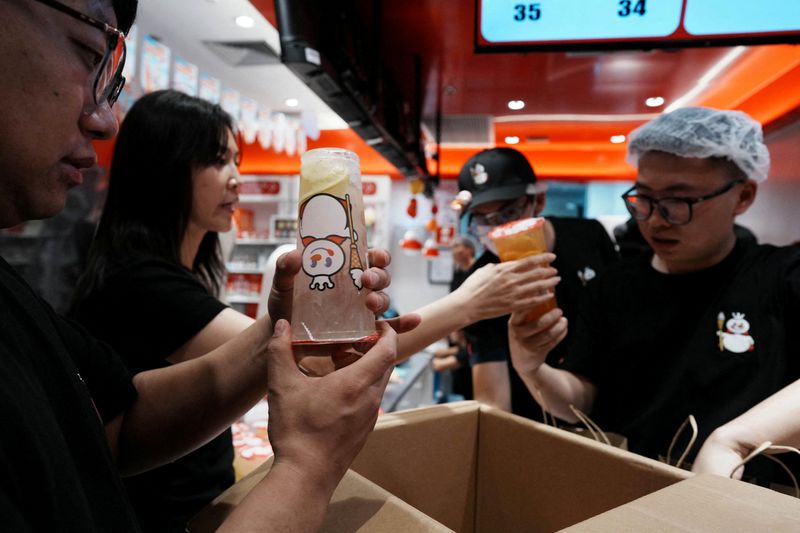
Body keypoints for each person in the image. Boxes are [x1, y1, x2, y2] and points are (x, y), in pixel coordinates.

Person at [0, 1, 416, 530]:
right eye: (87, 53)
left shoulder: (14, 300)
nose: (103, 119)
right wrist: (310, 463)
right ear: (167, 173)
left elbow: (117, 423)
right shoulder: (142, 282)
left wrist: (283, 323)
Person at [508, 107, 800, 485]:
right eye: (643, 198)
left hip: (748, 505)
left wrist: (733, 442)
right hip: (632, 491)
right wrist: (531, 368)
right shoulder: (612, 289)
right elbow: (581, 400)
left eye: (679, 201)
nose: (656, 219)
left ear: (742, 196)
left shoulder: (779, 276)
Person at [455, 147, 618, 414]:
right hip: (530, 422)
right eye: (483, 218)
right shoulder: (482, 282)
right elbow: (492, 401)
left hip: (607, 406)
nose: (497, 229)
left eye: (507, 214)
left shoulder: (588, 236)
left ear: (538, 201)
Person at [430, 236, 476, 400]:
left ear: (469, 250)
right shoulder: (457, 274)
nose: (453, 251)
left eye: (457, 246)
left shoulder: (477, 272)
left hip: (473, 331)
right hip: (459, 333)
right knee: (461, 381)